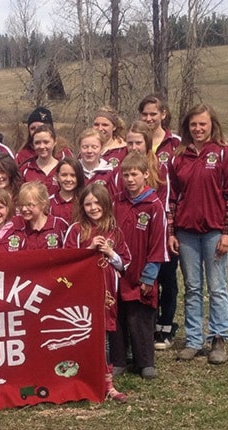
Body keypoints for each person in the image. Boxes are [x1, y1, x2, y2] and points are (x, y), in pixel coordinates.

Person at [168, 104, 228, 364]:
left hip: (214, 232)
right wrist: (171, 231)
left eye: (202, 124)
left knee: (217, 287)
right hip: (187, 232)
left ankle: (219, 338)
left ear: (212, 124)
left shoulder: (224, 153)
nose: (198, 129)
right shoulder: (179, 157)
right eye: (193, 125)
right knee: (191, 287)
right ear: (187, 128)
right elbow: (172, 199)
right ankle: (193, 340)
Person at [64, 184, 130, 402]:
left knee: (104, 337)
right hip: (81, 295)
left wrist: (110, 252)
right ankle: (78, 381)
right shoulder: (76, 230)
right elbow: (65, 261)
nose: (93, 208)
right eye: (88, 203)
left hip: (106, 294)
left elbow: (125, 265)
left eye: (96, 202)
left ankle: (107, 383)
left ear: (106, 203)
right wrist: (88, 250)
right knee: (80, 336)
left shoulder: (114, 230)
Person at [111, 152, 168, 380]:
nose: (130, 179)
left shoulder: (154, 205)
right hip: (118, 271)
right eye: (126, 175)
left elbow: (158, 244)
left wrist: (149, 276)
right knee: (118, 316)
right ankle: (118, 360)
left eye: (134, 174)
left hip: (141, 272)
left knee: (140, 317)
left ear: (146, 175)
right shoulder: (116, 202)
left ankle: (145, 361)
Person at [138, 95, 182, 349]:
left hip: (168, 222)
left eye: (153, 113)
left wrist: (173, 220)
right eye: (145, 114)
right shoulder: (137, 144)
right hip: (143, 221)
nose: (149, 118)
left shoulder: (174, 144)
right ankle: (148, 324)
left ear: (163, 114)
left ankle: (166, 326)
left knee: (167, 276)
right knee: (147, 275)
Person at [17, 182, 68, 250]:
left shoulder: (59, 225)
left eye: (29, 205)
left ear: (43, 204)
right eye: (21, 205)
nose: (24, 209)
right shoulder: (20, 229)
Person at [20, 124, 60, 195]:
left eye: (46, 142)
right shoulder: (25, 169)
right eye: (37, 143)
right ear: (33, 144)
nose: (42, 146)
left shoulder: (62, 168)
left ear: (55, 142)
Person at [78, 128, 117, 197]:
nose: (89, 151)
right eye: (85, 147)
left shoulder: (109, 172)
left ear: (101, 149)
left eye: (94, 147)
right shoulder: (73, 170)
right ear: (79, 149)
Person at [50, 157, 85, 224]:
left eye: (73, 175)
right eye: (64, 175)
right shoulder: (49, 203)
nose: (68, 179)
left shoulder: (84, 201)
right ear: (57, 176)